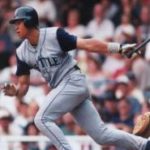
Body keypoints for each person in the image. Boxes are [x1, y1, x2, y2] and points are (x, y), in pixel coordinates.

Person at [2, 6, 150, 150]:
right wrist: (15, 91)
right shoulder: (22, 52)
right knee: (101, 136)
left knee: (41, 119)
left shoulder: (54, 35)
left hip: (73, 80)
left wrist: (118, 47)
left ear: (29, 21)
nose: (16, 26)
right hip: (64, 89)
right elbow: (23, 87)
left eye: (19, 22)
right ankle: (144, 145)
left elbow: (86, 44)